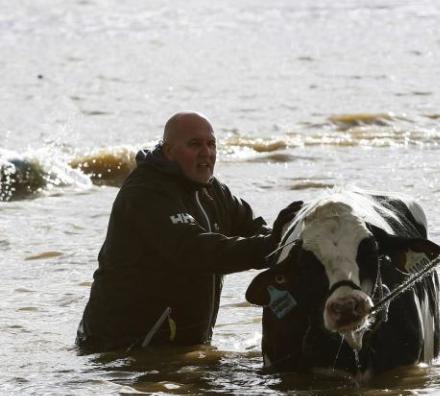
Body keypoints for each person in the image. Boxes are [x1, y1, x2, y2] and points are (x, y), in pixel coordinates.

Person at [76, 112, 301, 353]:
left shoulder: (214, 191)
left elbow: (256, 229)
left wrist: (291, 238)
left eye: (211, 144)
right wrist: (271, 245)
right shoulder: (145, 193)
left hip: (180, 349)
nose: (206, 152)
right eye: (195, 144)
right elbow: (196, 250)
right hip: (119, 350)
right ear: (169, 151)